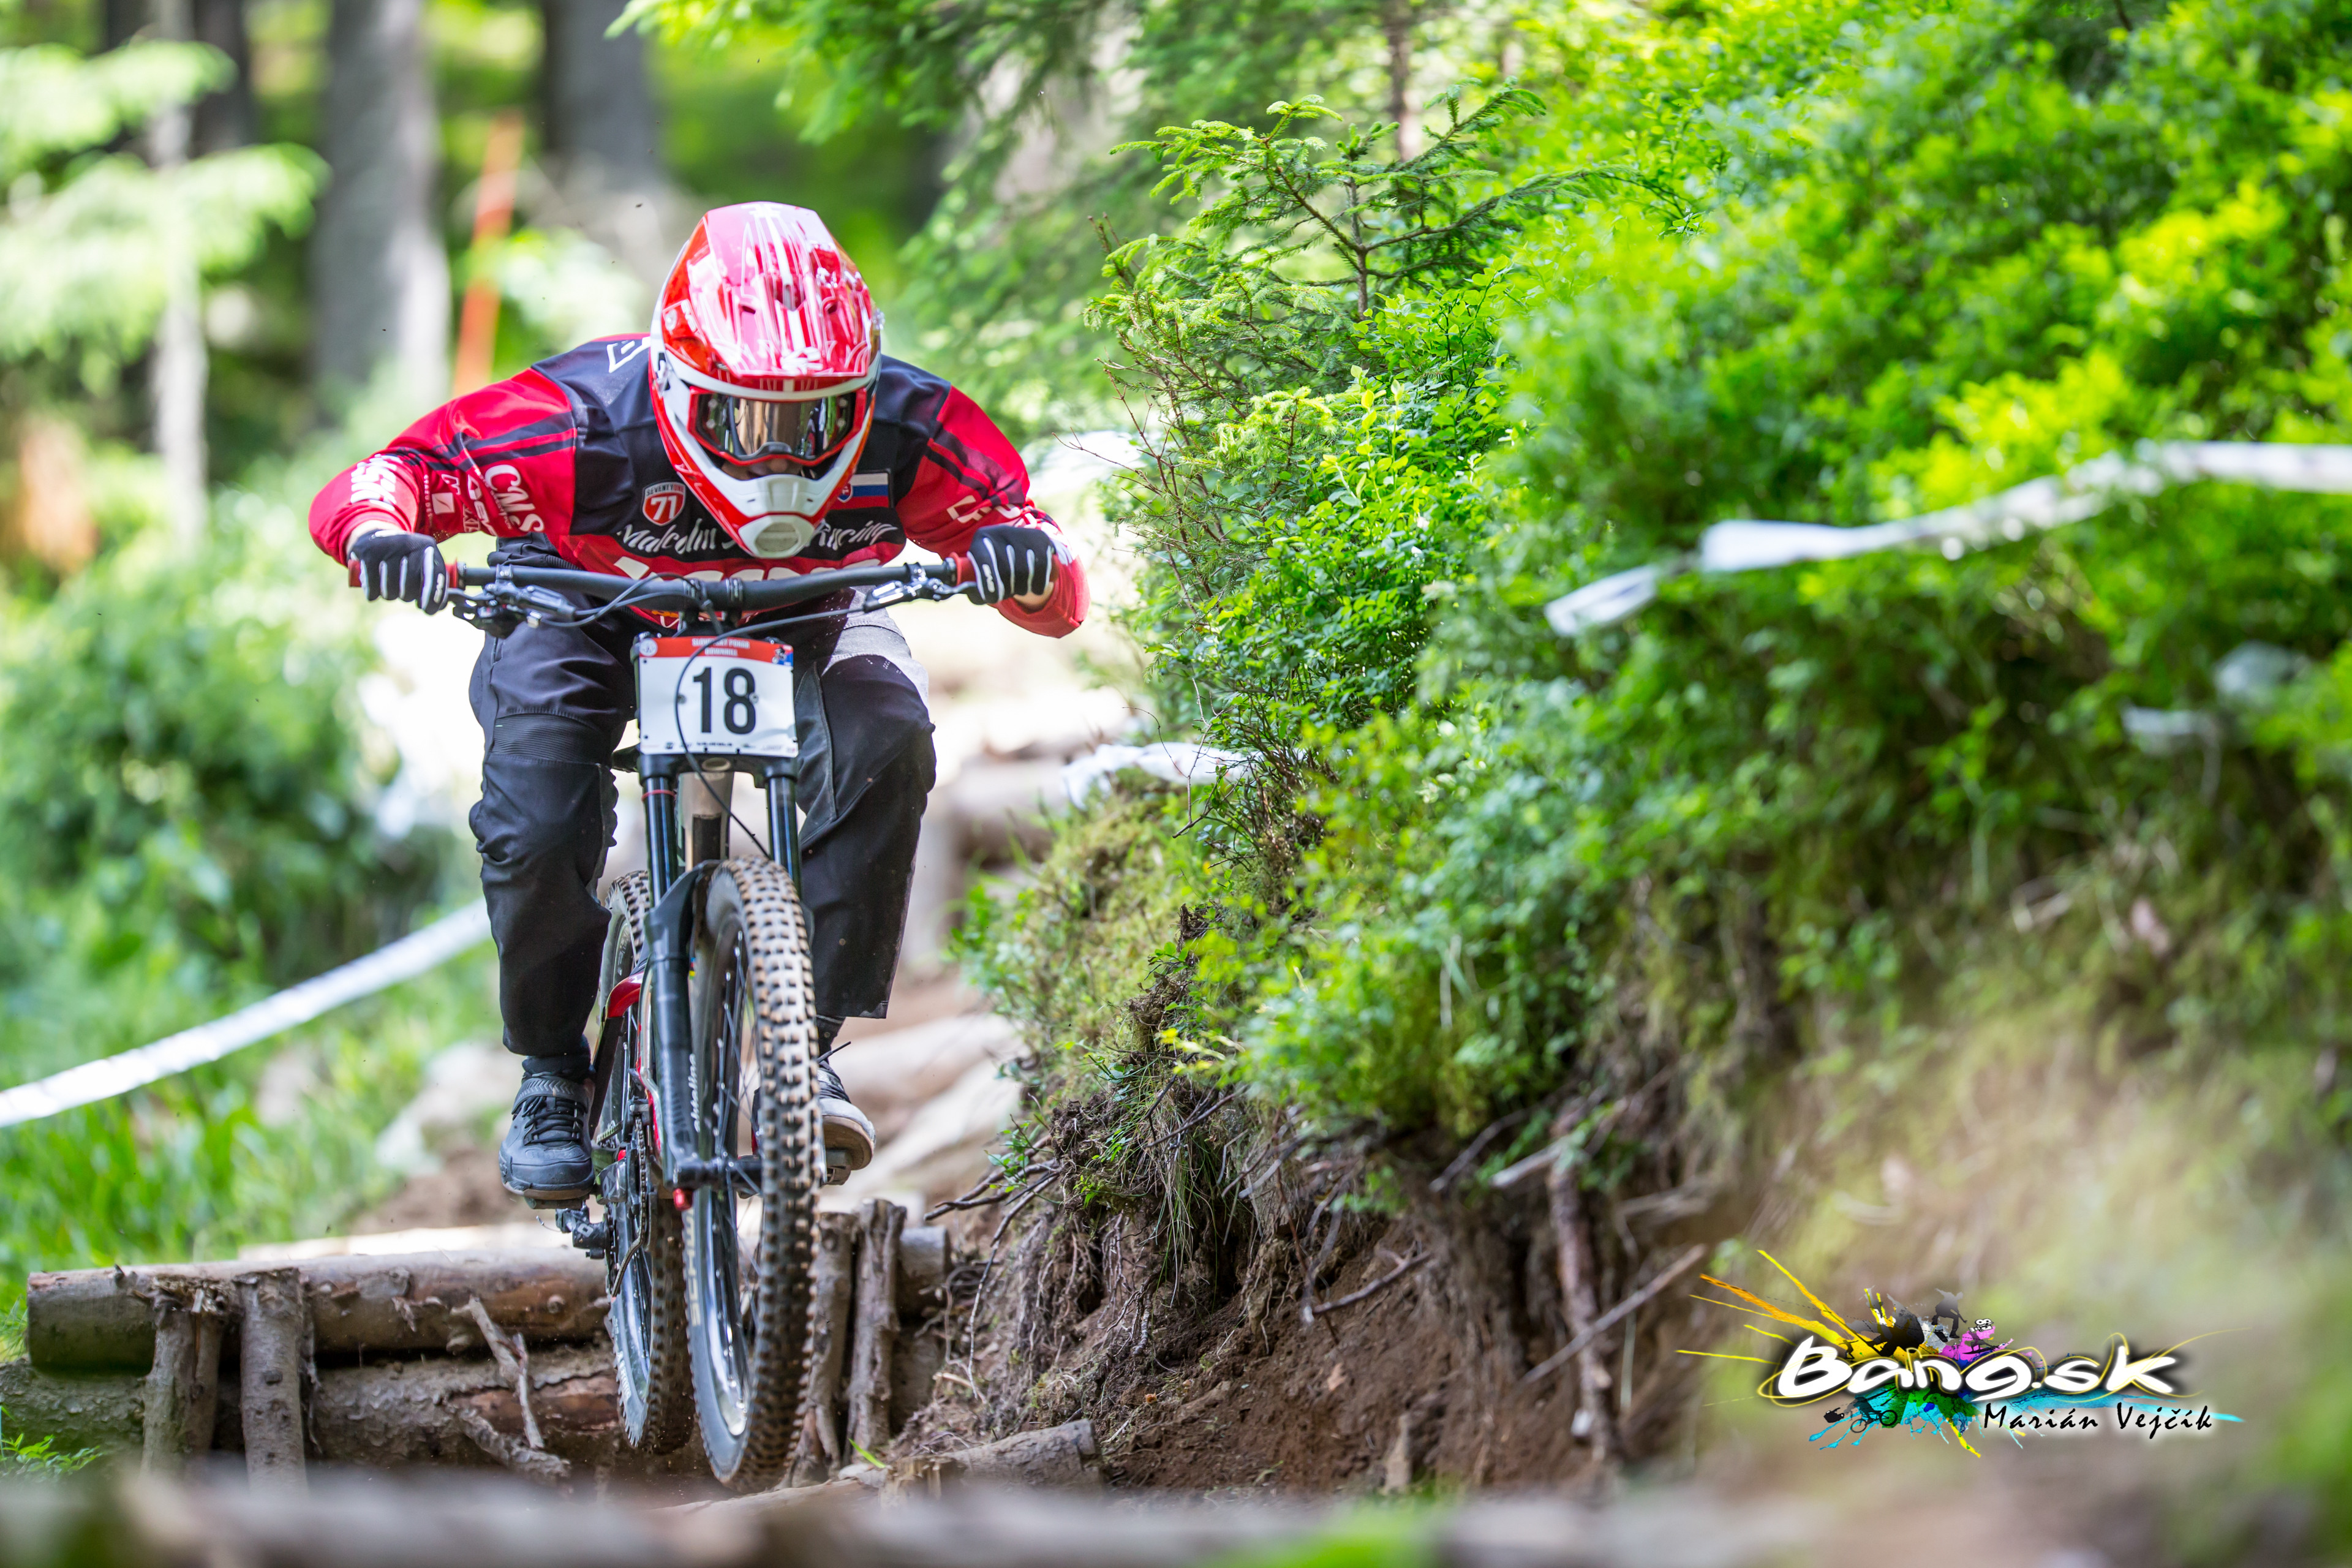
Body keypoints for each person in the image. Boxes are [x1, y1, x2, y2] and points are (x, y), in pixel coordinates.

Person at [309, 202, 1088, 1202]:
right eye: (746, 420)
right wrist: (382, 535)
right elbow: (392, 476)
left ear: (862, 396)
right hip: (585, 605)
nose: (781, 454)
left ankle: (807, 1055)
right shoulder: (581, 420)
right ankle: (551, 1074)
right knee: (536, 815)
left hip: (811, 608)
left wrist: (1022, 558)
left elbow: (1051, 584)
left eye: (815, 420)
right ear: (676, 386)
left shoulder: (910, 425)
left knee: (889, 737)